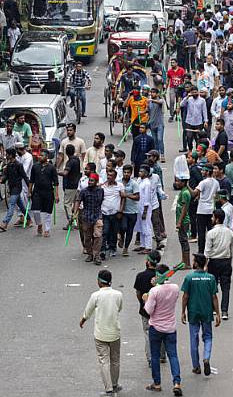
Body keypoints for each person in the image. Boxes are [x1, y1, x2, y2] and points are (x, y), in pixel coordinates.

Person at [80, 269, 123, 397]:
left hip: (100, 334)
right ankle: (115, 385)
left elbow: (88, 311)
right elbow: (119, 308)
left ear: (99, 281)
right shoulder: (118, 294)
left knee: (104, 360)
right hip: (115, 332)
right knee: (115, 359)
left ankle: (109, 389)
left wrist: (83, 320)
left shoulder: (96, 296)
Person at [144, 264, 183, 395]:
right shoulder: (175, 288)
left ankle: (157, 383)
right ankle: (177, 382)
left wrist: (146, 299)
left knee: (155, 356)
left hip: (156, 327)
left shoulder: (154, 291)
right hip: (170, 327)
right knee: (173, 355)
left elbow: (149, 310)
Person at [181, 253, 221, 377]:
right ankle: (206, 357)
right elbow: (214, 297)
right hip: (206, 312)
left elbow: (185, 296)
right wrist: (218, 313)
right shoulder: (210, 278)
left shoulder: (189, 277)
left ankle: (196, 366)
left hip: (193, 312)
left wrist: (183, 312)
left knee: (194, 339)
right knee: (208, 337)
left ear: (196, 263)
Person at [134, 250, 162, 367]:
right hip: (159, 310)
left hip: (145, 310)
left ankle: (151, 358)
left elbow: (138, 293)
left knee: (147, 333)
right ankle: (162, 355)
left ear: (148, 262)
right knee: (161, 331)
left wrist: (142, 302)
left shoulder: (140, 276)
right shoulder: (160, 276)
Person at [205, 209, 233, 319]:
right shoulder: (229, 232)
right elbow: (231, 250)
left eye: (213, 217)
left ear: (216, 219)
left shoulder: (211, 233)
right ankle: (224, 311)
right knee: (225, 287)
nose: (211, 219)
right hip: (226, 261)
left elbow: (207, 251)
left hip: (214, 261)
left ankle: (213, 309)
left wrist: (205, 265)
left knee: (212, 286)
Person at [76, 173, 105, 265]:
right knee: (87, 238)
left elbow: (101, 201)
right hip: (86, 217)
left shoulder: (100, 191)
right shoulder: (84, 191)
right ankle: (90, 254)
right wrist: (75, 212)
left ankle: (96, 255)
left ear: (96, 182)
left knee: (98, 236)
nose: (90, 182)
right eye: (89, 180)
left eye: (92, 180)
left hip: (97, 216)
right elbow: (78, 201)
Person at [29, 149, 59, 238]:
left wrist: (56, 195)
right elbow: (31, 180)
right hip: (37, 192)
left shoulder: (52, 168)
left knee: (47, 212)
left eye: (42, 155)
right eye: (39, 155)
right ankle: (39, 224)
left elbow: (56, 183)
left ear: (47, 157)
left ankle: (47, 230)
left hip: (48, 192)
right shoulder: (35, 167)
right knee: (35, 211)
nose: (39, 157)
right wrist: (29, 191)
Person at [0, 149, 29, 231]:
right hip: (11, 188)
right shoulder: (8, 165)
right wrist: (1, 180)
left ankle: (5, 223)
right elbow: (6, 176)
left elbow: (25, 177)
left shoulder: (19, 165)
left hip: (17, 188)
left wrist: (30, 189)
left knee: (11, 205)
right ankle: (29, 219)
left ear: (11, 155)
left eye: (7, 154)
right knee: (21, 205)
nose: (6, 156)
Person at [192, 165, 219, 253]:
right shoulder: (216, 182)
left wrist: (187, 185)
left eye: (204, 170)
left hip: (202, 210)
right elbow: (217, 196)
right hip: (211, 210)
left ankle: (201, 251)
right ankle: (211, 249)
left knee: (201, 233)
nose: (202, 172)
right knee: (211, 232)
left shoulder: (203, 183)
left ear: (208, 172)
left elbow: (194, 193)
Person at [120, 164, 141, 257]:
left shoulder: (134, 184)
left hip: (132, 211)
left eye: (128, 172)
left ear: (131, 173)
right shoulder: (119, 182)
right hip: (122, 210)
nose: (126, 174)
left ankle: (126, 248)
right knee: (123, 227)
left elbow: (137, 197)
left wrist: (127, 195)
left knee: (129, 230)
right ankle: (121, 236)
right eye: (124, 172)